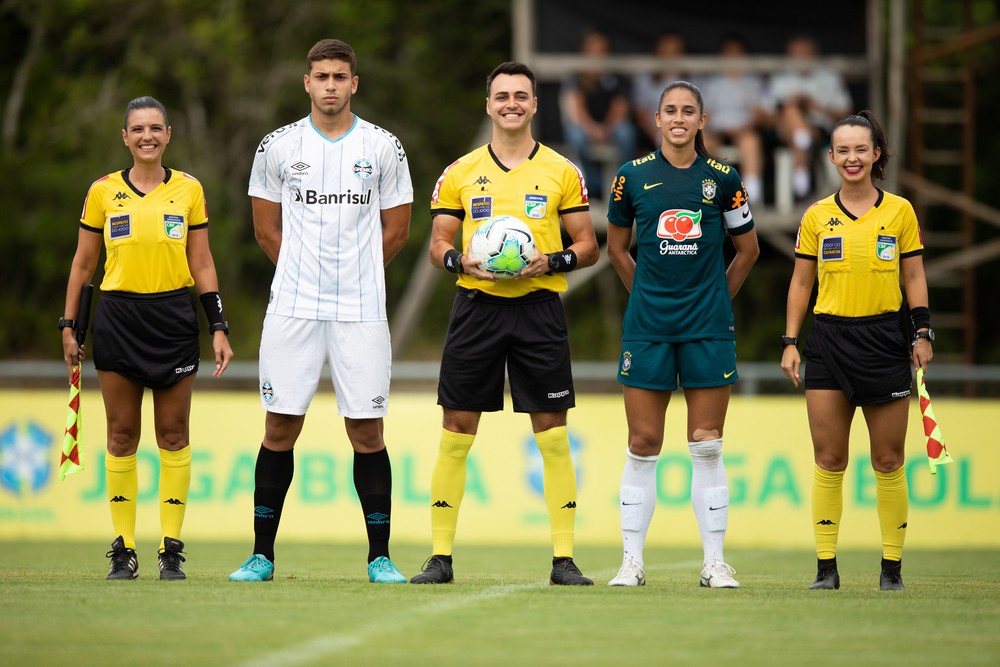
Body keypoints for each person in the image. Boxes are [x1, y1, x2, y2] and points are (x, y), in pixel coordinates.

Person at [228, 39, 413, 584]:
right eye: (321, 76)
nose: (330, 85)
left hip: (361, 307)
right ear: (306, 83)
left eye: (339, 76)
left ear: (354, 83)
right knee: (280, 424)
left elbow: (398, 230)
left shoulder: (384, 146)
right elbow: (266, 230)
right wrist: (305, 274)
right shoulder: (277, 146)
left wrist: (354, 274)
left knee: (367, 430)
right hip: (293, 306)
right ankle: (261, 556)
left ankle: (380, 557)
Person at [410, 61, 599, 586]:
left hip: (539, 309)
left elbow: (588, 245)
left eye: (520, 96)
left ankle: (564, 560)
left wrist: (552, 260)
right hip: (477, 308)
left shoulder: (563, 170)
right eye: (502, 96)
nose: (511, 104)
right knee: (456, 430)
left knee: (552, 434)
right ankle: (440, 558)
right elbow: (438, 244)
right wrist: (459, 260)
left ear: (534, 104)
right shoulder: (460, 172)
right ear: (488, 105)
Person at [62, 96, 234, 581]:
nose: (147, 136)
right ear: (125, 137)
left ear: (168, 134)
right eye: (137, 129)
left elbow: (202, 262)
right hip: (118, 319)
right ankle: (124, 549)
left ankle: (170, 549)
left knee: (173, 434)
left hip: (174, 318)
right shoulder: (102, 192)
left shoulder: (189, 189)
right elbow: (83, 264)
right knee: (121, 435)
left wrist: (218, 326)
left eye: (155, 128)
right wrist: (69, 325)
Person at [605, 81, 759, 588]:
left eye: (688, 111)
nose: (678, 118)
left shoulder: (723, 178)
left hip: (707, 328)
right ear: (656, 119)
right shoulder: (631, 176)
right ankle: (631, 562)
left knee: (707, 444)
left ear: (702, 121)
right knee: (642, 442)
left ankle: (714, 563)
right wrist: (645, 295)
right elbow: (617, 249)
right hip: (648, 327)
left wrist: (716, 299)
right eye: (669, 110)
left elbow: (749, 250)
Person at [780, 110, 932, 591]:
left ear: (876, 154)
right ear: (831, 156)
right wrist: (790, 342)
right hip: (828, 342)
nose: (852, 158)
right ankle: (826, 570)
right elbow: (801, 282)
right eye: (843, 150)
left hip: (885, 341)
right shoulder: (816, 215)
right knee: (829, 460)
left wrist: (922, 333)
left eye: (860, 149)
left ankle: (892, 570)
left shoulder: (900, 211)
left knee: (888, 461)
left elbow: (913, 276)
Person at [769, 35, 852, 200]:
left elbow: (846, 112)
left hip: (819, 129)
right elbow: (765, 115)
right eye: (796, 54)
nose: (801, 58)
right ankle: (802, 140)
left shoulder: (830, 77)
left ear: (814, 54)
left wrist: (815, 106)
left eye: (805, 53)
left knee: (797, 128)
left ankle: (801, 160)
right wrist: (790, 104)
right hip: (784, 130)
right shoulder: (780, 78)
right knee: (790, 108)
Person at [560, 29, 638, 200]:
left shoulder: (616, 76)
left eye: (601, 50)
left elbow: (621, 107)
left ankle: (622, 182)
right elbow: (575, 109)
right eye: (592, 50)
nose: (597, 55)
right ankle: (590, 183)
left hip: (612, 127)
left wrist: (607, 128)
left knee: (626, 132)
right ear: (584, 51)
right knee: (574, 135)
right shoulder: (576, 77)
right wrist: (593, 129)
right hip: (585, 127)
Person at [701, 34, 768, 204]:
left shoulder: (753, 81)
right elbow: (704, 113)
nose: (733, 58)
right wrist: (709, 128)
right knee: (702, 142)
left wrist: (749, 123)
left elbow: (762, 115)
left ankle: (751, 196)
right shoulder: (712, 81)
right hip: (717, 131)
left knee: (751, 142)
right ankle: (708, 196)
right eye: (728, 53)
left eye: (737, 53)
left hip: (744, 130)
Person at [632, 33, 697, 153]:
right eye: (666, 51)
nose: (670, 57)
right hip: (652, 134)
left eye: (675, 51)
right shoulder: (644, 77)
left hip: (686, 132)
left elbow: (700, 110)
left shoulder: (693, 77)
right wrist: (657, 136)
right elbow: (641, 112)